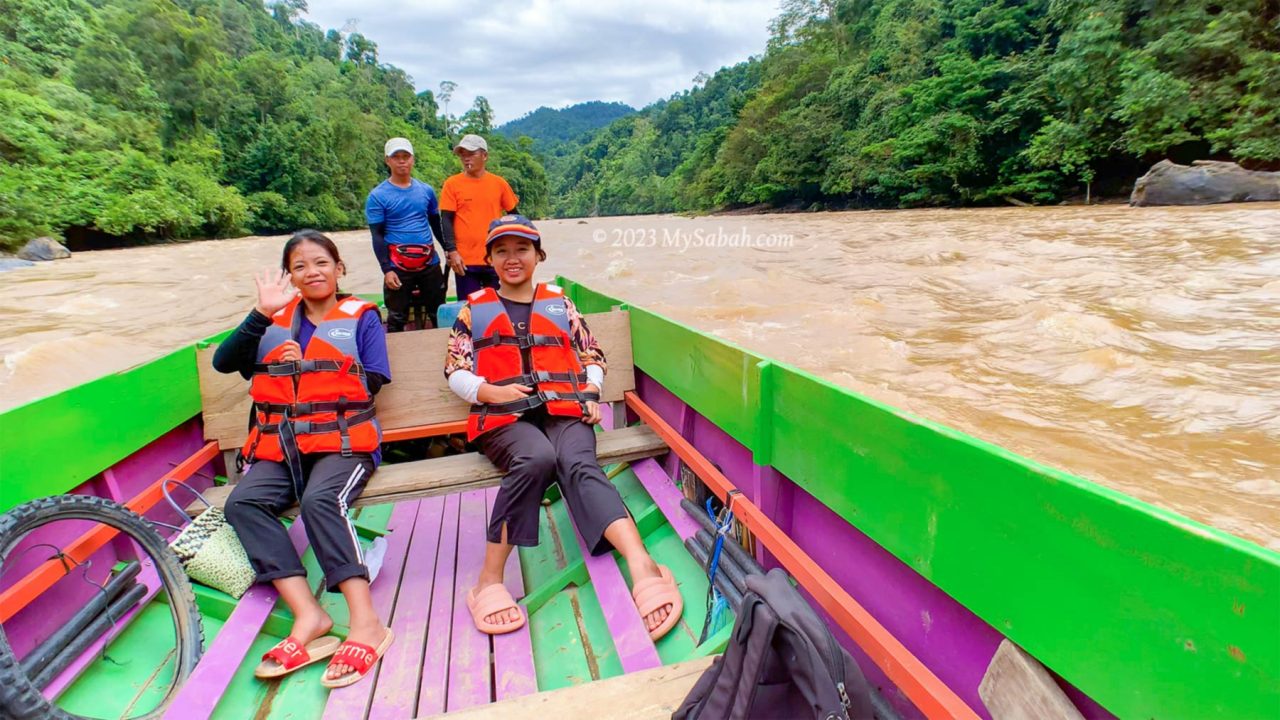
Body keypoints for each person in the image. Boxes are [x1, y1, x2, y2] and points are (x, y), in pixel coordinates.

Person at [443, 215, 684, 639]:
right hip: (505, 417)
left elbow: (592, 355)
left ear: (538, 255)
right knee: (535, 459)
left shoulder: (561, 303)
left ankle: (643, 566)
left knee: (576, 460)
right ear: (490, 259)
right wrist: (490, 393)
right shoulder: (472, 308)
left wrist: (590, 395)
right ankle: (489, 581)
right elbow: (455, 368)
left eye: (522, 249)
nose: (512, 258)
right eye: (502, 251)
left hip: (565, 407)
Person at [214, 230, 394, 688]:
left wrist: (309, 367)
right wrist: (260, 314)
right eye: (300, 266)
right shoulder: (273, 322)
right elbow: (223, 361)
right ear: (290, 277)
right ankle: (309, 615)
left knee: (320, 500)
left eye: (320, 263)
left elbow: (373, 379)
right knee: (242, 504)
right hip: (284, 446)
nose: (312, 272)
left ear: (339, 269)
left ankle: (366, 623)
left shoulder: (363, 319)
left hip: (344, 443)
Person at [366, 137, 447, 331]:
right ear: (388, 160)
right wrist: (387, 269)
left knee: (439, 312)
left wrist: (449, 251)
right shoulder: (377, 196)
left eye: (406, 156)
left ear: (413, 159)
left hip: (429, 263)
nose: (402, 161)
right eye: (396, 157)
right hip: (398, 265)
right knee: (396, 317)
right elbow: (377, 235)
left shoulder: (426, 191)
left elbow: (436, 225)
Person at [439, 134, 519, 299]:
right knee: (470, 310)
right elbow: (446, 220)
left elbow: (515, 217)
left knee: (499, 307)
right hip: (465, 262)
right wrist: (452, 251)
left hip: (495, 259)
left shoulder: (499, 183)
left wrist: (516, 251)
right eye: (462, 154)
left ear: (485, 156)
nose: (466, 158)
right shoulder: (452, 184)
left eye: (471, 154)